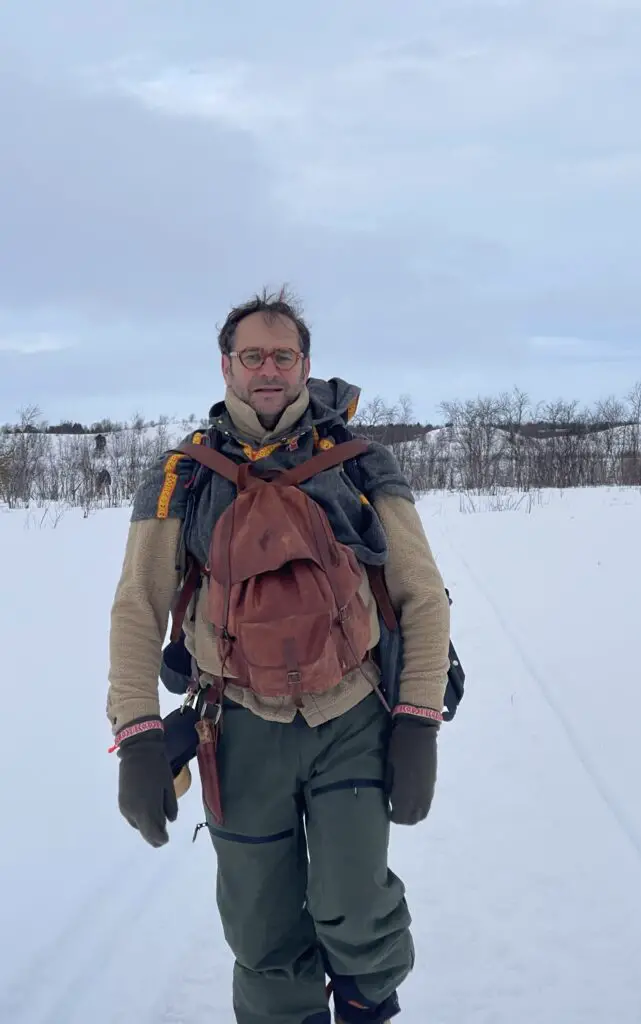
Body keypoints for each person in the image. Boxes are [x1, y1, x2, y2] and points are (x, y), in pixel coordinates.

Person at [106, 288, 451, 1024]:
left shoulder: (362, 465)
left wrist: (418, 721)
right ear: (227, 366)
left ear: (305, 365)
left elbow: (422, 595)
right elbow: (137, 606)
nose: (269, 369)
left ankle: (364, 1010)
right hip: (235, 730)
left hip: (352, 718)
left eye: (283, 355)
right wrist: (136, 736)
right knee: (262, 930)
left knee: (356, 907)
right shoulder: (181, 476)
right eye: (253, 355)